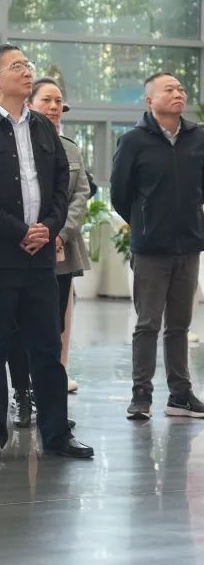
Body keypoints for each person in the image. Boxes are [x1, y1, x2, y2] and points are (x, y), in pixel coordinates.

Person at [0, 43, 93, 461]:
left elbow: (59, 186)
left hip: (39, 258)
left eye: (27, 64)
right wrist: (19, 231)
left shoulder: (44, 128)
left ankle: (56, 434)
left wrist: (48, 229)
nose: (27, 71)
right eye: (17, 66)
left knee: (47, 347)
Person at [111, 71, 204, 420]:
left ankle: (180, 395)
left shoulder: (198, 137)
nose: (178, 93)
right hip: (150, 247)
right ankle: (142, 394)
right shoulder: (134, 141)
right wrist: (145, 221)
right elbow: (121, 193)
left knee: (180, 324)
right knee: (148, 323)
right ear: (150, 100)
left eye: (181, 87)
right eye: (169, 89)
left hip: (189, 244)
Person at [6, 78, 91, 425]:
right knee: (16, 328)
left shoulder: (71, 148)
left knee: (51, 329)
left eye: (59, 101)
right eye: (47, 100)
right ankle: (21, 394)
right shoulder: (14, 142)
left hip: (60, 253)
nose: (54, 107)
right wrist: (30, 234)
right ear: (30, 102)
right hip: (19, 251)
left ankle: (48, 401)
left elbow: (80, 195)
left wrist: (58, 232)